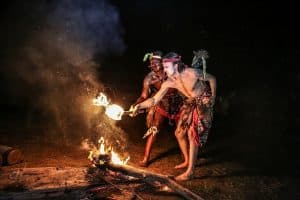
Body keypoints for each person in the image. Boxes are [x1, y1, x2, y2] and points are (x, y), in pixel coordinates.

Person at [130, 52, 216, 181]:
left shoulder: (192, 73)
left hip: (203, 101)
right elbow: (154, 100)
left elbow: (212, 78)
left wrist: (213, 97)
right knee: (179, 133)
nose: (164, 70)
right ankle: (187, 160)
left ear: (176, 66)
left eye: (166, 67)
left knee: (193, 134)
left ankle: (190, 172)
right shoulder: (169, 82)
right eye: (164, 67)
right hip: (190, 102)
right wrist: (139, 106)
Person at [130, 51, 183, 167]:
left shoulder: (171, 71)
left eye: (155, 63)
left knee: (182, 131)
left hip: (178, 103)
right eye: (151, 64)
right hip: (161, 103)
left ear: (162, 62)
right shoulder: (149, 78)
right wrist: (136, 105)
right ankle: (145, 158)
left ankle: (187, 158)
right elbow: (144, 96)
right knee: (154, 128)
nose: (153, 66)